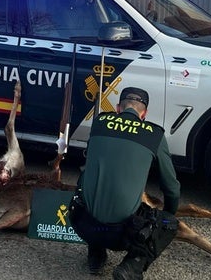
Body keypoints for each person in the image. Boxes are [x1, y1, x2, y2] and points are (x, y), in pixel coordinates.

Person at [69, 87, 181, 279]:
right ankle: (132, 267)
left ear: (119, 108)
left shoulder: (99, 122)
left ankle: (95, 254)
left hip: (82, 223)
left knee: (89, 182)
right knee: (169, 223)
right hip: (123, 234)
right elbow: (172, 188)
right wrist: (166, 218)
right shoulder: (155, 135)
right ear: (144, 114)